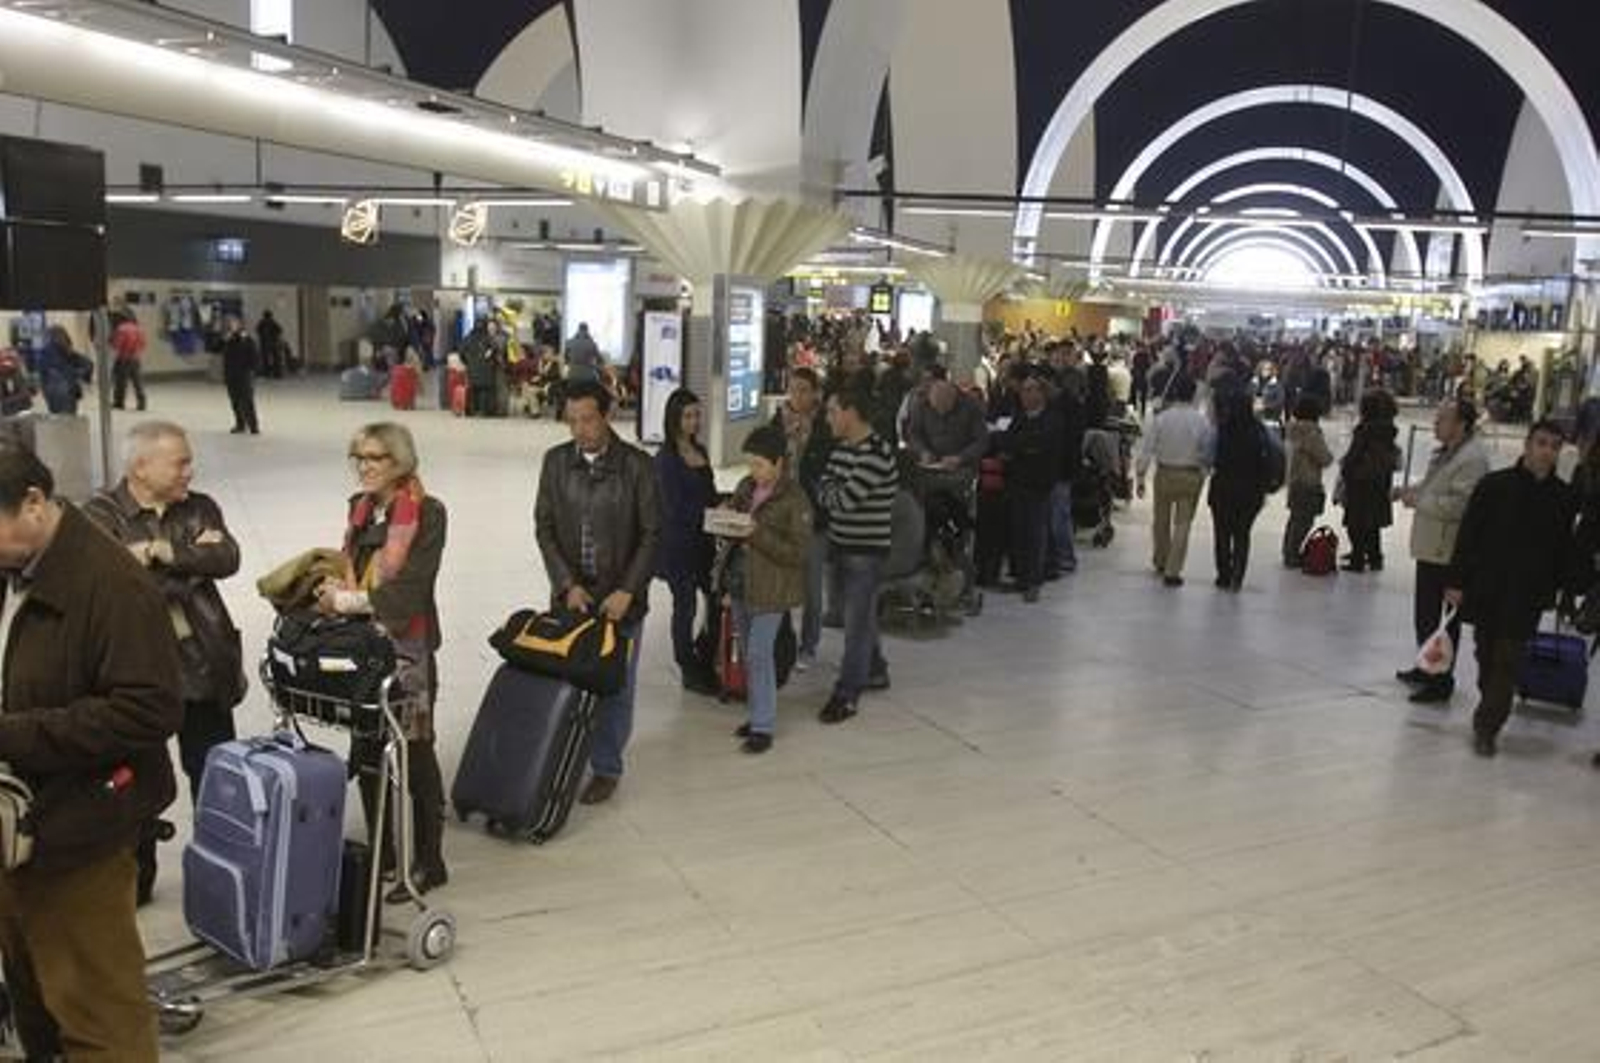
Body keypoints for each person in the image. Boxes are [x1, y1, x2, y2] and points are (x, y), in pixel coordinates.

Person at [0, 445, 182, 1061]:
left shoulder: (112, 585)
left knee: (99, 1017)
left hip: (80, 835)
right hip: (18, 832)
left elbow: (149, 710)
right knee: (37, 1002)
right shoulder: (15, 565)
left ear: (33, 503)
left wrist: (13, 733)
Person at [83, 422, 246, 905]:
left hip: (203, 664)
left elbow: (228, 557)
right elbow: (115, 588)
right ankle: (138, 875)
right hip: (137, 676)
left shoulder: (199, 506)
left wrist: (159, 552)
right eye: (179, 462)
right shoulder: (99, 514)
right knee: (139, 782)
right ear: (140, 467)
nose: (188, 471)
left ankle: (223, 869)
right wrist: (191, 566)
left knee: (214, 774)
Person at [316, 423, 450, 899]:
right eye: (360, 458)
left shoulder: (427, 514)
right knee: (368, 751)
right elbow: (350, 570)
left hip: (407, 650)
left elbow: (409, 592)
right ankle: (384, 854)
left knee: (415, 751)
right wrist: (330, 588)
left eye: (376, 458)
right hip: (363, 649)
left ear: (400, 462)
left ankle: (430, 861)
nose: (365, 467)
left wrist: (347, 601)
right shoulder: (359, 509)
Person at [535, 381, 659, 804]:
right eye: (571, 421)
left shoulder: (637, 466)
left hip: (621, 600)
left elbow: (651, 533)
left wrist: (628, 590)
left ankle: (606, 767)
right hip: (574, 598)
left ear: (607, 415)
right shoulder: (555, 463)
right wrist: (565, 584)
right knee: (568, 679)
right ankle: (564, 758)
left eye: (587, 419)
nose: (580, 429)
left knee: (616, 686)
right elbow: (545, 527)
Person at [1446, 420, 1580, 757]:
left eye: (1554, 445)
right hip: (1489, 586)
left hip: (1528, 594)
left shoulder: (1563, 498)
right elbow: (1469, 536)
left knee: (1508, 659)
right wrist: (1456, 580)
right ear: (1528, 445)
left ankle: (1487, 727)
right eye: (1542, 443)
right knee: (1486, 654)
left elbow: (1564, 547)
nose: (1547, 451)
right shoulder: (1494, 486)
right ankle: (1490, 703)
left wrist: (1565, 590)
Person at [713, 425, 811, 753]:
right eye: (749, 464)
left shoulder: (794, 499)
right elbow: (734, 531)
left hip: (773, 590)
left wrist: (755, 533)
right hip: (741, 582)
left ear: (779, 463)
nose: (753, 472)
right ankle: (757, 715)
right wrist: (725, 520)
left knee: (759, 654)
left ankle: (763, 725)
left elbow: (797, 552)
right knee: (749, 654)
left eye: (759, 465)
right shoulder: (745, 487)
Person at [1395, 400, 1491, 704]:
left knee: (1444, 622)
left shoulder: (1472, 459)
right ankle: (1426, 667)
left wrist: (1419, 501)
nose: (1436, 424)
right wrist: (1409, 491)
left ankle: (1440, 680)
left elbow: (1462, 506)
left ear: (1461, 424)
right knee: (1425, 614)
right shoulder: (1447, 453)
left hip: (1447, 550)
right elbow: (1434, 487)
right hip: (1431, 546)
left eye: (1443, 419)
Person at [815, 387, 897, 723]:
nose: (828, 418)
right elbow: (823, 489)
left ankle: (847, 693)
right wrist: (833, 492)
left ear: (851, 413)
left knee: (855, 625)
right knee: (859, 619)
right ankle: (875, 668)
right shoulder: (842, 450)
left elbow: (843, 500)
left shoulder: (877, 453)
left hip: (866, 552)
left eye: (833, 411)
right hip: (840, 545)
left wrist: (832, 492)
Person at [655, 389, 718, 695]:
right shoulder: (666, 459)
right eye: (688, 416)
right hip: (678, 545)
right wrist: (710, 513)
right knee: (686, 606)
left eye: (697, 415)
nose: (694, 422)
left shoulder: (701, 452)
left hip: (704, 542)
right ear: (674, 419)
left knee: (716, 598)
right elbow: (673, 507)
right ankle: (687, 665)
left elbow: (710, 492)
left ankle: (704, 652)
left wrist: (725, 506)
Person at [771, 367, 834, 668]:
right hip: (782, 515)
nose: (797, 396)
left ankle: (809, 644)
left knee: (811, 586)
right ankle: (784, 640)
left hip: (814, 516)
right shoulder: (776, 422)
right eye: (793, 389)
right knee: (782, 581)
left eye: (804, 390)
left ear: (815, 393)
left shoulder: (826, 426)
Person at [1136, 374, 1212, 587]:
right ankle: (1173, 570)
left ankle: (1160, 558)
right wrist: (1204, 473)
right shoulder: (1201, 422)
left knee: (1160, 519)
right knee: (1183, 524)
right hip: (1190, 474)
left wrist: (1140, 476)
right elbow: (1207, 453)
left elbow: (1147, 448)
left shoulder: (1162, 419)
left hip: (1165, 472)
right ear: (1193, 395)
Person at [1206, 389, 1278, 592]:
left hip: (1223, 487)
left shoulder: (1221, 430)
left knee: (1221, 532)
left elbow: (1209, 458)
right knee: (1242, 533)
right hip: (1251, 490)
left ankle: (1223, 574)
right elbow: (1271, 457)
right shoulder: (1261, 431)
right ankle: (1238, 574)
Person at [1002, 373, 1064, 603]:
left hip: (1040, 484)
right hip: (1017, 482)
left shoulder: (1052, 419)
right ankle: (1021, 577)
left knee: (1036, 533)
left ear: (1042, 393)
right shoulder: (1020, 417)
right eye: (1024, 390)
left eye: (1031, 390)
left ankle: (1034, 581)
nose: (1026, 395)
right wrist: (1022, 447)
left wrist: (1020, 447)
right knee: (1019, 531)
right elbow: (1007, 442)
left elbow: (1040, 446)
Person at [1338, 389, 1401, 572]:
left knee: (1355, 522)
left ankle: (1357, 557)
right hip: (1380, 481)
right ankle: (1375, 557)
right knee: (1373, 523)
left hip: (1360, 480)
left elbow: (1354, 455)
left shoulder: (1364, 430)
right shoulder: (1389, 431)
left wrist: (1346, 470)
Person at [1282, 395, 1334, 567]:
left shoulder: (1292, 430)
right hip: (1308, 481)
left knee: (1295, 519)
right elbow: (1325, 458)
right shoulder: (1310, 432)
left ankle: (1288, 552)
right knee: (1304, 520)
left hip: (1295, 480)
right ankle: (1292, 555)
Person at [221, 314, 261, 435]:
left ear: (240, 324)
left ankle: (253, 425)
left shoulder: (247, 339)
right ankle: (240, 424)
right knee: (235, 401)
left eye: (233, 323)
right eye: (229, 324)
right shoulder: (227, 339)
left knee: (247, 400)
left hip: (244, 374)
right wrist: (224, 339)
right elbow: (215, 347)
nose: (231, 326)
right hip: (230, 374)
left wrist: (253, 371)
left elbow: (254, 356)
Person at [37, 326, 90, 416]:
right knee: (68, 416)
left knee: (60, 417)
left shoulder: (48, 351)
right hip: (67, 391)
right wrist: (80, 374)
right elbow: (87, 363)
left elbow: (44, 370)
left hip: (56, 391)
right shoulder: (66, 350)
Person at [110, 312, 148, 411]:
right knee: (137, 381)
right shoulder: (138, 328)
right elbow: (143, 343)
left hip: (124, 358)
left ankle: (119, 402)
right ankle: (142, 403)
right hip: (136, 358)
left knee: (121, 382)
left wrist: (113, 343)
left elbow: (117, 344)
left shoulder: (121, 329)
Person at [256, 309, 284, 380]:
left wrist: (262, 337)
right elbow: (280, 330)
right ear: (271, 316)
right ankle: (277, 374)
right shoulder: (273, 322)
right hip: (274, 343)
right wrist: (275, 337)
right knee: (276, 359)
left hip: (265, 343)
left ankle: (267, 373)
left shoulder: (262, 323)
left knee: (265, 359)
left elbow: (257, 331)